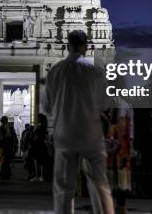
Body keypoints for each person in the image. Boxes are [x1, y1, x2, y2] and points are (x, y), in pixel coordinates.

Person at [43, 30, 114, 214]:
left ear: (68, 45)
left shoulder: (55, 71)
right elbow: (106, 103)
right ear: (86, 46)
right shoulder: (95, 70)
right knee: (99, 184)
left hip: (65, 135)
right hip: (91, 135)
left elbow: (47, 108)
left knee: (64, 189)